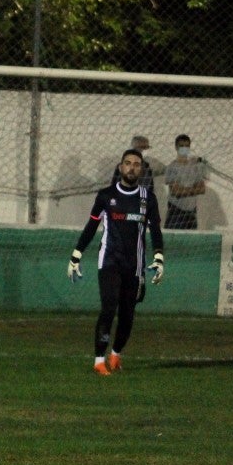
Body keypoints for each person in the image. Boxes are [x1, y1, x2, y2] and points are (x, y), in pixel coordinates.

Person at [68, 148, 165, 376]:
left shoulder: (148, 198)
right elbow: (91, 226)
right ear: (121, 167)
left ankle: (116, 354)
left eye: (137, 164)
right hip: (109, 261)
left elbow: (156, 230)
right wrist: (76, 254)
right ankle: (99, 360)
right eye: (128, 163)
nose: (132, 167)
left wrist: (159, 256)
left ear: (141, 169)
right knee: (109, 307)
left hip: (135, 266)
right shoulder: (105, 196)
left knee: (128, 314)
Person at [164, 134, 206, 229]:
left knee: (191, 241)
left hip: (191, 212)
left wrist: (184, 190)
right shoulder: (171, 167)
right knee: (172, 241)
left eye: (187, 146)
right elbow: (176, 192)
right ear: (176, 147)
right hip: (176, 211)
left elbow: (202, 189)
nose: (184, 148)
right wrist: (194, 189)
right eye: (181, 146)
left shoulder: (195, 167)